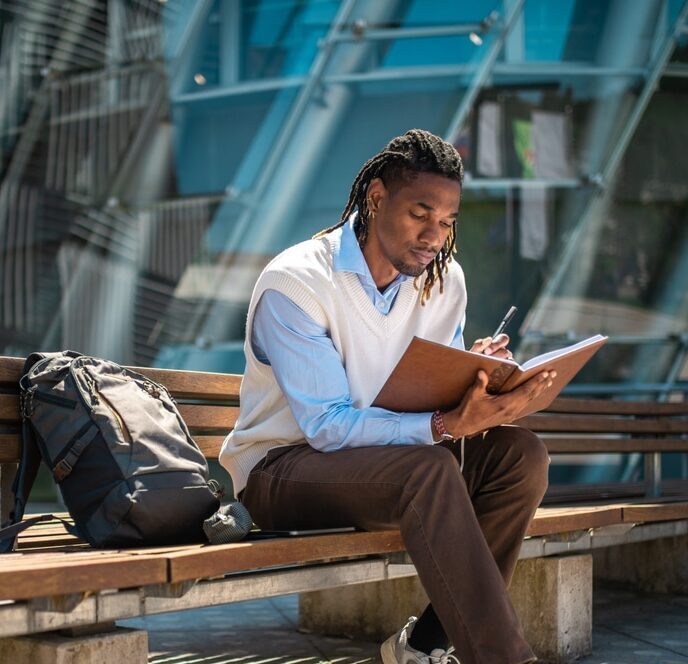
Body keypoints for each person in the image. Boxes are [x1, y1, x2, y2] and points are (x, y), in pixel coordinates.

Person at [218, 129, 554, 664]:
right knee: (430, 468)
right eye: (421, 214)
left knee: (521, 456)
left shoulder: (444, 283)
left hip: (392, 472)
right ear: (376, 198)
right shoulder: (297, 282)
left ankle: (422, 648)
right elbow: (327, 426)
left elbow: (430, 392)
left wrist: (479, 380)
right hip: (281, 471)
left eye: (446, 222)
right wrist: (445, 428)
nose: (434, 236)